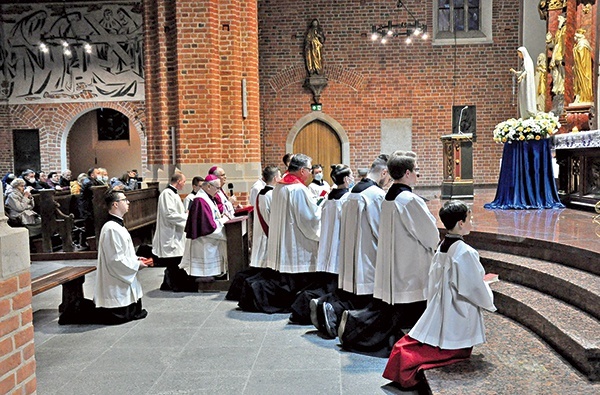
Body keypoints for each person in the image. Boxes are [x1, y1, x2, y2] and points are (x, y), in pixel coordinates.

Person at [383, 200, 496, 388]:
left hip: (441, 304)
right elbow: (473, 288)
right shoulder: (465, 252)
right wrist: (487, 293)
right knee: (452, 347)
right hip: (458, 310)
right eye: (469, 218)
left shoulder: (443, 245)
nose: (471, 222)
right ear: (461, 223)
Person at [337, 152, 439, 356]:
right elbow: (429, 234)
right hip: (410, 266)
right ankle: (357, 329)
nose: (418, 174)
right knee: (401, 318)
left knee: (391, 315)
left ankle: (357, 326)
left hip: (395, 263)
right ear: (408, 173)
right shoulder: (409, 200)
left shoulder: (390, 196)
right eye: (416, 169)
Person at [312, 157, 388, 338]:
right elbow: (380, 229)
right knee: (366, 299)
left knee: (353, 293)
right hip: (368, 252)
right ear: (383, 173)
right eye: (389, 178)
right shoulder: (375, 194)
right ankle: (335, 312)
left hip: (352, 250)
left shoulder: (353, 192)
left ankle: (325, 303)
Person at [237, 154, 322, 314]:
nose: (311, 173)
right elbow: (308, 218)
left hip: (285, 239)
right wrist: (321, 211)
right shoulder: (298, 189)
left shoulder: (279, 186)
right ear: (302, 170)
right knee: (296, 280)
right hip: (296, 242)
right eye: (309, 170)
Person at [291, 164, 353, 325]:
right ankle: (322, 305)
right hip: (339, 246)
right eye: (351, 177)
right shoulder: (346, 199)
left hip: (327, 245)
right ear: (346, 179)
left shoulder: (329, 197)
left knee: (327, 283)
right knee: (335, 287)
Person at [91, 189, 153, 325]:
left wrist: (136, 260)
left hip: (123, 276)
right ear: (115, 204)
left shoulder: (117, 225)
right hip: (115, 283)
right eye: (124, 200)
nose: (128, 202)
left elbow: (124, 253)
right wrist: (136, 265)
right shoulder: (111, 228)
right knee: (121, 315)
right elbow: (115, 260)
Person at [226, 166, 281, 301]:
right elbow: (272, 218)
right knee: (263, 270)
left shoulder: (263, 193)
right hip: (267, 234)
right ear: (275, 178)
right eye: (279, 176)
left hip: (262, 233)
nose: (281, 179)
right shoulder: (271, 195)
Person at [153, 172, 197, 292]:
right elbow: (170, 215)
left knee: (175, 260)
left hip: (175, 231)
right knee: (174, 261)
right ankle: (173, 285)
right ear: (178, 181)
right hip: (170, 233)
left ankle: (168, 284)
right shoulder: (167, 194)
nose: (184, 184)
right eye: (183, 181)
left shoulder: (173, 194)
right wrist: (186, 217)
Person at [180, 175, 228, 283]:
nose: (218, 191)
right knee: (205, 269)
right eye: (217, 188)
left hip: (210, 241)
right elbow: (207, 227)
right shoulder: (201, 201)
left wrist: (222, 220)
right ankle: (204, 281)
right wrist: (224, 229)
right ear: (209, 187)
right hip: (204, 242)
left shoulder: (209, 198)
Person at [510, 47, 537, 119]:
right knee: (523, 98)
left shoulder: (528, 61)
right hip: (523, 83)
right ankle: (524, 115)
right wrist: (515, 72)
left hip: (527, 83)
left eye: (519, 54)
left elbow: (528, 71)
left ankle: (529, 112)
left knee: (527, 97)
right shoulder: (524, 61)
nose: (519, 56)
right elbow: (522, 71)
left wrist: (522, 76)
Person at [546, 15, 566, 95]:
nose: (558, 20)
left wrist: (563, 54)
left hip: (561, 54)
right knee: (555, 73)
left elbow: (565, 42)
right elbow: (554, 44)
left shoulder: (565, 29)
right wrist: (549, 41)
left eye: (559, 19)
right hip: (556, 53)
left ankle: (562, 88)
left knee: (562, 73)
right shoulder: (559, 31)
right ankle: (557, 88)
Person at [573, 29, 593, 104]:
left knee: (583, 81)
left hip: (582, 70)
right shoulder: (579, 45)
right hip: (578, 69)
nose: (574, 38)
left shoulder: (582, 45)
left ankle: (584, 97)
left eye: (575, 36)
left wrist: (577, 66)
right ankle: (579, 96)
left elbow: (582, 61)